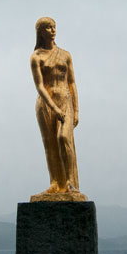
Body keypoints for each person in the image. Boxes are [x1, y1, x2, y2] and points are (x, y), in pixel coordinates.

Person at [30, 17, 85, 201]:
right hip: (46, 103)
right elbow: (39, 86)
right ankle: (55, 182)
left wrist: (76, 110)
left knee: (63, 137)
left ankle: (70, 182)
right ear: (41, 31)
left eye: (54, 27)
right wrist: (52, 107)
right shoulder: (36, 57)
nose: (53, 30)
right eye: (48, 27)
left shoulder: (65, 55)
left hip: (64, 100)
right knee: (50, 143)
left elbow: (72, 82)